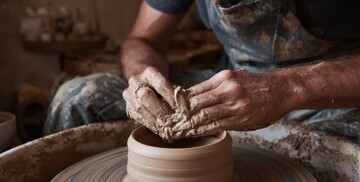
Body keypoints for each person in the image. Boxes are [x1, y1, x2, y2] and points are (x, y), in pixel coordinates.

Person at [44, 0, 360, 143]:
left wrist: (285, 88)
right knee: (78, 98)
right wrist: (144, 76)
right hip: (234, 84)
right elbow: (143, 39)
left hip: (330, 93)